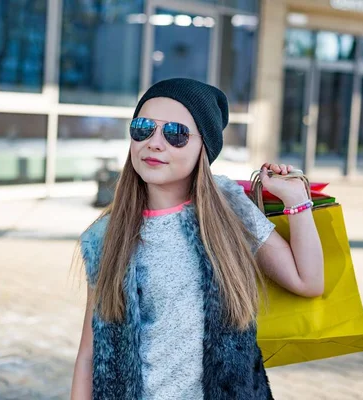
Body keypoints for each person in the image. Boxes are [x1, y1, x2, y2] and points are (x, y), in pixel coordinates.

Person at [70, 78, 324, 400]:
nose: (155, 143)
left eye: (175, 134)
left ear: (204, 147)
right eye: (143, 128)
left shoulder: (229, 212)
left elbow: (308, 281)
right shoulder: (105, 237)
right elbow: (89, 355)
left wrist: (296, 200)